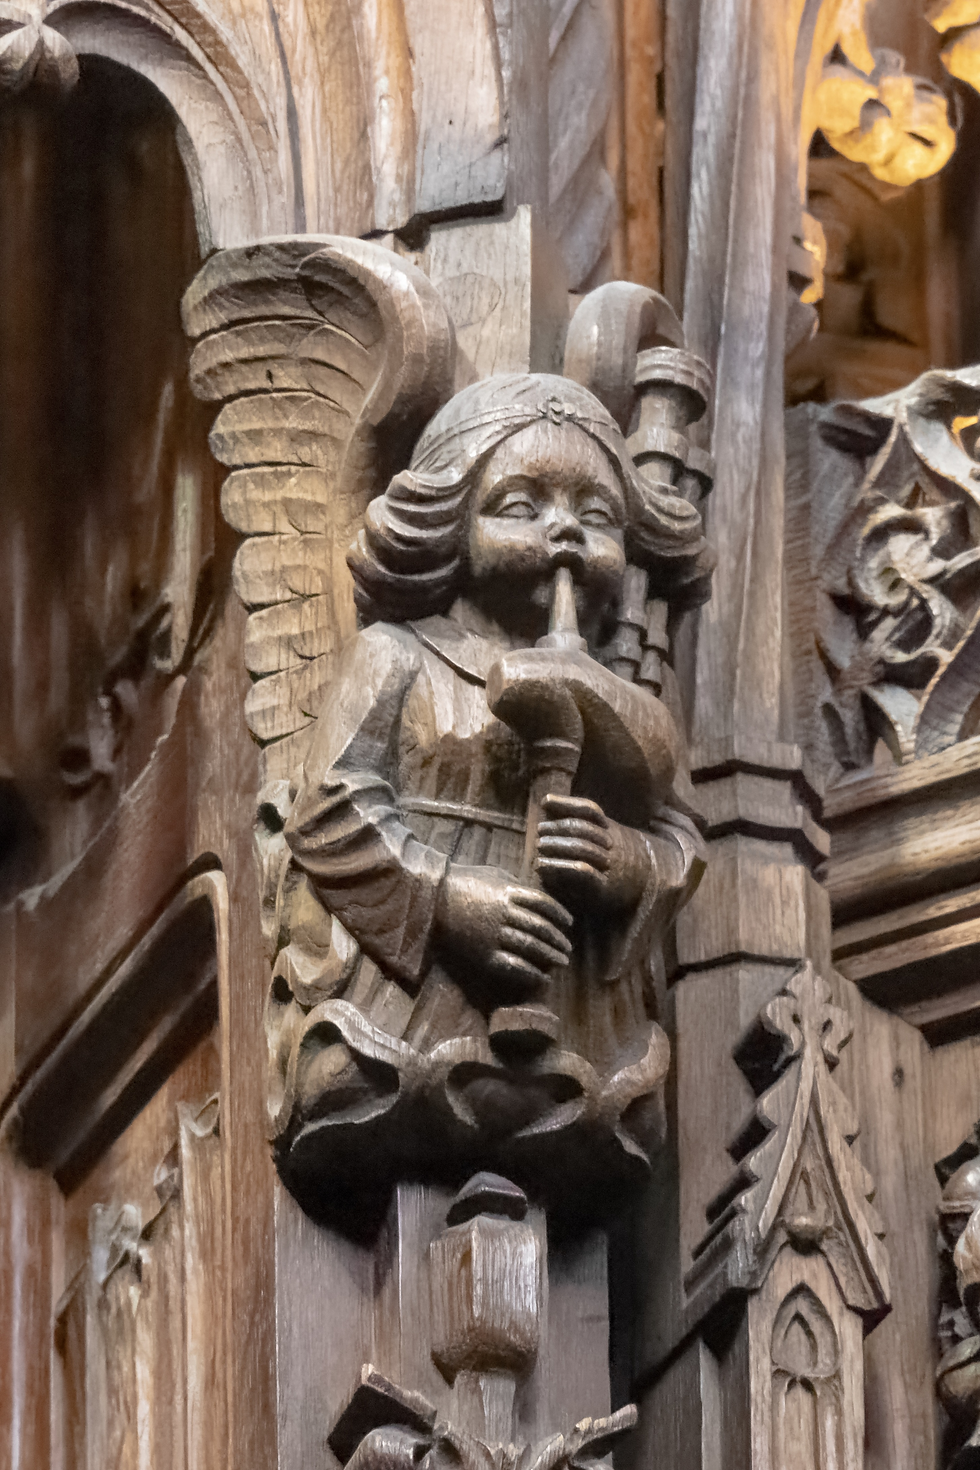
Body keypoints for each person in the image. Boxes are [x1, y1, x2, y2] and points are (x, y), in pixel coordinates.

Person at [266, 372, 710, 1201]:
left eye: (599, 516)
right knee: (365, 1080)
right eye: (522, 505)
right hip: (411, 1018)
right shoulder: (398, 656)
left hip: (573, 1040)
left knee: (617, 1114)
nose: (567, 531)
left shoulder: (634, 706)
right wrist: (446, 901)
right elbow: (331, 809)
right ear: (449, 521)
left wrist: (622, 860)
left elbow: (680, 844)